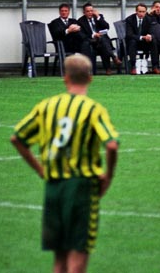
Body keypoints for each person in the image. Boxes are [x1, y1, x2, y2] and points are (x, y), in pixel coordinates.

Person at [10, 54, 119, 273]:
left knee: (59, 258)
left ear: (65, 78)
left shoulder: (47, 106)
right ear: (90, 78)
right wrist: (108, 177)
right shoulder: (92, 109)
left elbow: (17, 138)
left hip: (53, 187)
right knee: (78, 255)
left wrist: (40, 169)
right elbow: (111, 145)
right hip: (81, 187)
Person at [77, 2, 121, 75]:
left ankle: (108, 68)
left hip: (101, 41)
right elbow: (82, 35)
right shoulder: (81, 21)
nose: (90, 13)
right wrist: (93, 35)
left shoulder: (98, 16)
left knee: (103, 40)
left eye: (91, 10)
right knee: (104, 42)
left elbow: (106, 27)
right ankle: (112, 59)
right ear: (84, 12)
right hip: (92, 42)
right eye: (88, 11)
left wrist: (98, 17)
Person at [125, 3, 160, 75]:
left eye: (143, 12)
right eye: (140, 11)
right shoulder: (129, 19)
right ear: (136, 11)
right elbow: (129, 35)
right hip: (134, 42)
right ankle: (133, 67)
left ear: (146, 12)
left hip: (145, 43)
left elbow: (153, 32)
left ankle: (155, 66)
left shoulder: (149, 19)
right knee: (132, 42)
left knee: (153, 41)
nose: (141, 14)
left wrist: (150, 36)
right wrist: (142, 37)